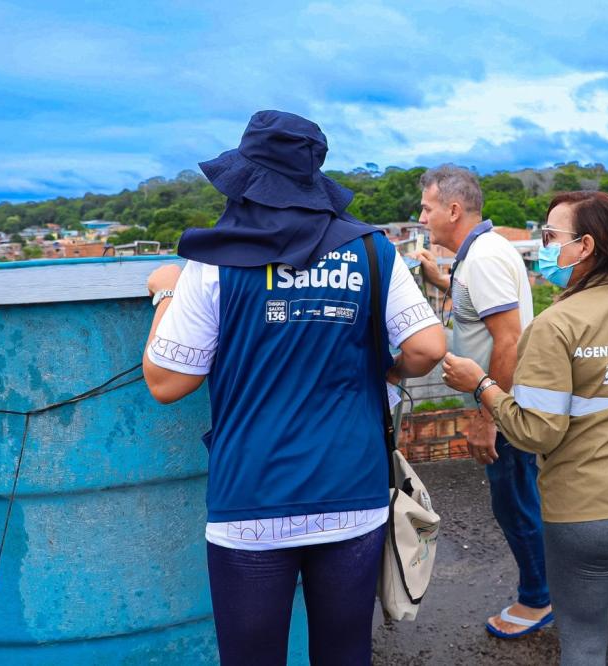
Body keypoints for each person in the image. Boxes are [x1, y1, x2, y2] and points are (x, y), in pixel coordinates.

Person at [142, 110, 446, 666]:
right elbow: (428, 347)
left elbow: (166, 382)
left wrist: (167, 294)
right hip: (352, 490)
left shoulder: (213, 263)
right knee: (345, 652)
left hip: (252, 497)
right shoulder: (372, 249)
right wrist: (386, 371)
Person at [442, 190, 608, 665]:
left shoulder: (556, 325)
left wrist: (482, 386)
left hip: (588, 513)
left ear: (585, 246)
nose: (543, 247)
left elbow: (536, 433)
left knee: (583, 639)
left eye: (550, 236)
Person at [407, 165, 552, 638]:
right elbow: (479, 311)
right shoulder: (482, 252)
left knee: (515, 503)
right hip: (503, 399)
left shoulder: (484, 258)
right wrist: (441, 281)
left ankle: (539, 598)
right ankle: (548, 589)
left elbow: (507, 341)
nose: (422, 218)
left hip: (503, 403)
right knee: (519, 497)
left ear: (453, 209)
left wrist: (488, 418)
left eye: (427, 208)